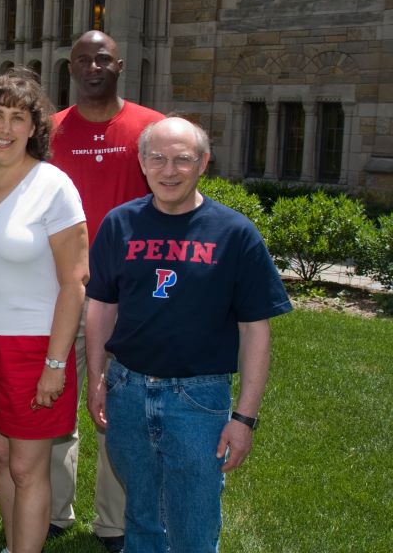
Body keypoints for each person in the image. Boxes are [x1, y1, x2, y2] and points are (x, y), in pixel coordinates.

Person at [85, 117, 291, 552]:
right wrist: (96, 378)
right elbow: (102, 305)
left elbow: (256, 328)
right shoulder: (119, 225)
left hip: (198, 400)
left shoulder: (235, 233)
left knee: (193, 526)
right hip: (128, 389)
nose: (169, 170)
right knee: (140, 517)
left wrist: (244, 418)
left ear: (204, 163)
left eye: (183, 159)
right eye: (157, 158)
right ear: (142, 163)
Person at [0, 72, 89, 553]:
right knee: (0, 454)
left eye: (19, 117)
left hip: (34, 346)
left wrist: (56, 363)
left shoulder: (53, 185)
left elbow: (74, 281)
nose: (6, 128)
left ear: (34, 127)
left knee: (26, 467)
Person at [47, 29, 164, 552]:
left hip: (127, 297)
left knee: (116, 409)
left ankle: (114, 523)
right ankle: (52, 510)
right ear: (70, 68)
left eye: (103, 59)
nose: (93, 66)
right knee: (55, 401)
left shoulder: (149, 128)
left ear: (120, 66)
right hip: (58, 291)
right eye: (82, 60)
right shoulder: (48, 132)